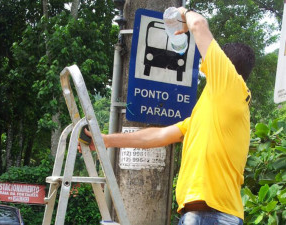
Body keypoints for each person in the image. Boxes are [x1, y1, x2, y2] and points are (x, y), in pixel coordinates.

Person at [83, 6, 255, 225]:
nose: (205, 59)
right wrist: (105, 140)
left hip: (213, 215)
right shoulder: (210, 112)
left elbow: (199, 25)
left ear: (227, 65)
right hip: (200, 215)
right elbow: (155, 137)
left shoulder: (231, 86)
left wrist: (183, 12)